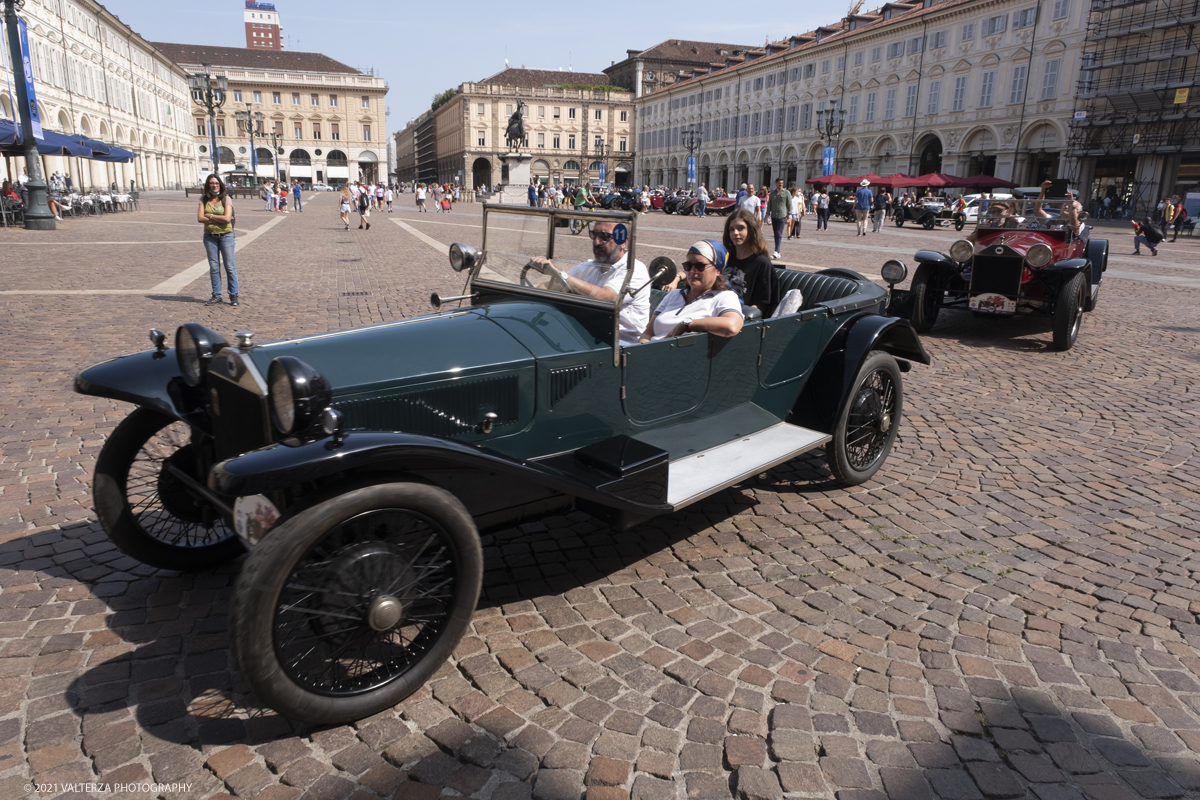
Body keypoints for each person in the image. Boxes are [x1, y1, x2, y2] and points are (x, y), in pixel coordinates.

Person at [525, 221, 650, 344]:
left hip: (620, 344)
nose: (596, 242)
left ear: (622, 241)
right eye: (594, 235)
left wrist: (559, 273)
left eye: (605, 237)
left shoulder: (634, 269)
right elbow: (549, 287)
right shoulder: (588, 266)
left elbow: (605, 298)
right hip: (585, 335)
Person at [639, 240, 744, 343]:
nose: (693, 271)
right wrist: (644, 350)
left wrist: (687, 325)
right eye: (688, 266)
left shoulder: (724, 297)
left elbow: (732, 325)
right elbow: (648, 333)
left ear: (717, 270)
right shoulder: (673, 294)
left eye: (700, 266)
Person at [722, 209, 780, 315]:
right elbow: (699, 268)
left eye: (741, 228)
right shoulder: (725, 257)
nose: (735, 233)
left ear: (751, 230)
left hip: (739, 318)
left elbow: (761, 304)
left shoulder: (761, 263)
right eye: (731, 229)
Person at [197, 174, 239, 307]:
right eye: (211, 183)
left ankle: (233, 295)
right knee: (214, 267)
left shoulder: (226, 199)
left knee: (230, 267)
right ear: (207, 185)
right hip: (210, 237)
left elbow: (227, 218)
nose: (214, 185)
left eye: (216, 183)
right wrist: (217, 217)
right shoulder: (203, 199)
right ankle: (217, 295)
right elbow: (199, 218)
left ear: (220, 184)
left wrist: (209, 216)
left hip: (226, 236)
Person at [768, 179, 791, 259]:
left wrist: (789, 216)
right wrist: (767, 216)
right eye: (779, 183)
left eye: (781, 183)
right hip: (774, 216)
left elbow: (789, 204)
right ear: (776, 183)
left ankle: (776, 251)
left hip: (782, 215)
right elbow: (769, 205)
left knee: (778, 233)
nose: (780, 184)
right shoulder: (772, 193)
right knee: (776, 234)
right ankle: (778, 251)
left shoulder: (786, 193)